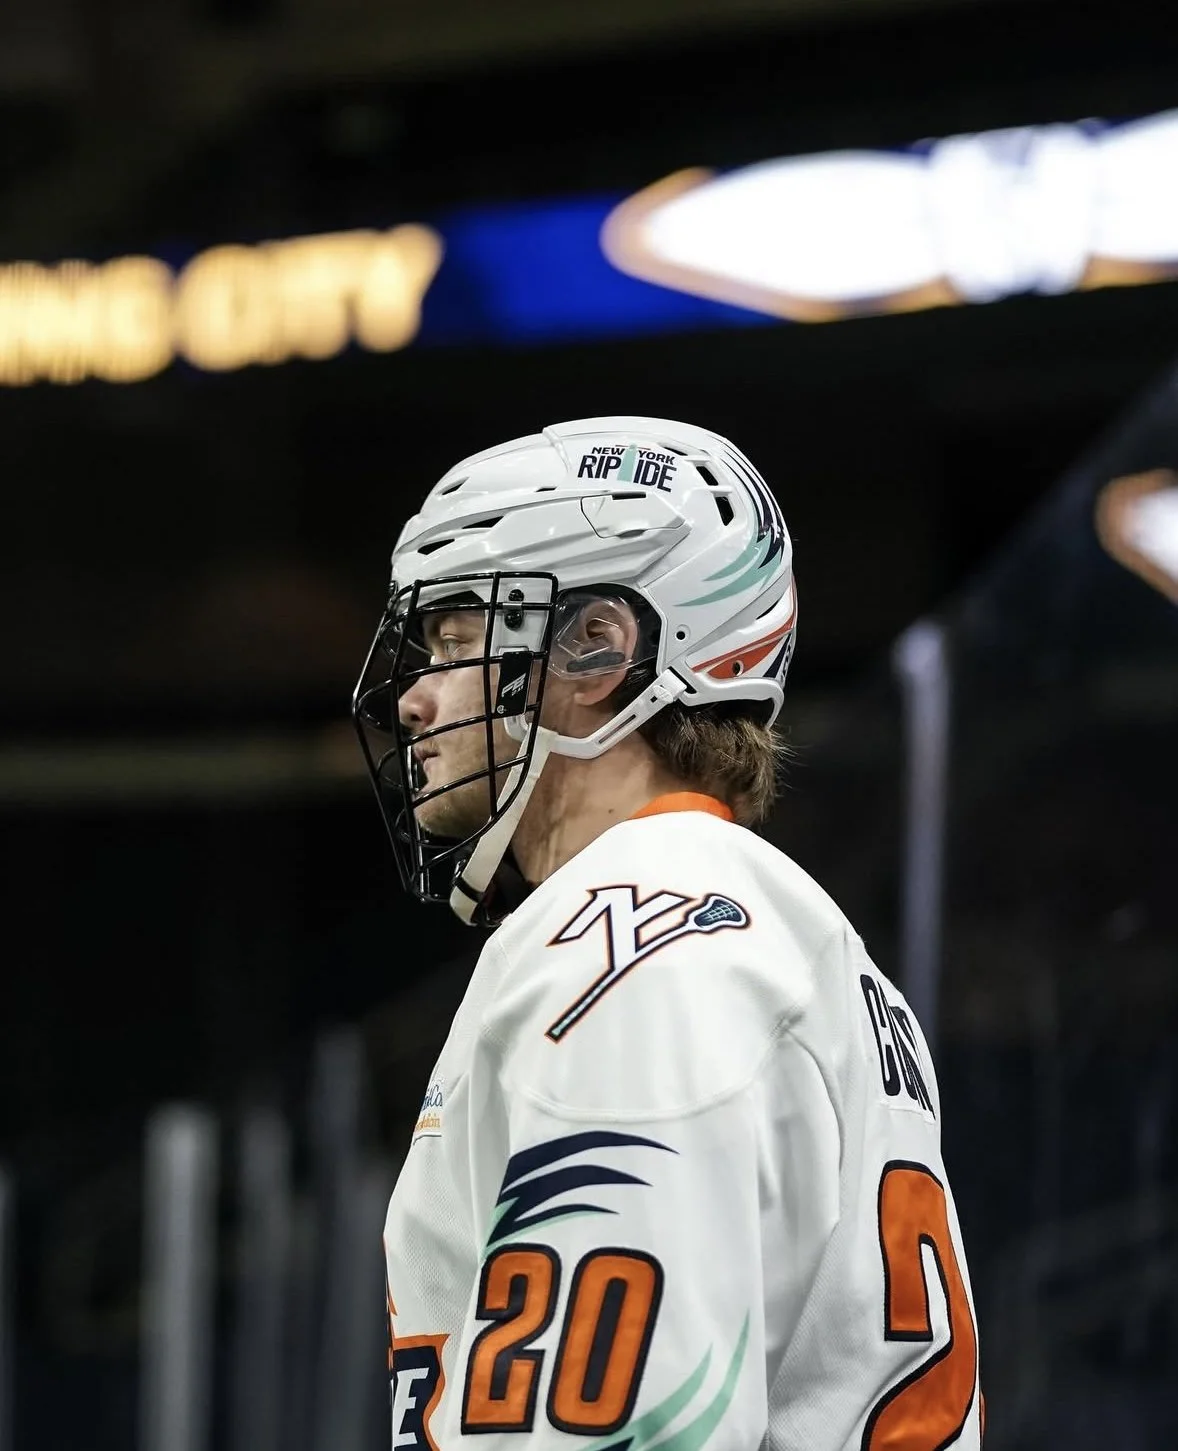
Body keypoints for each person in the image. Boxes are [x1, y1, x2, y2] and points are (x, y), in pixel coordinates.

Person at [353, 417, 982, 1451]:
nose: (414, 697)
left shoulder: (633, 946)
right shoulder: (776, 931)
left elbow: (627, 1428)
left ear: (599, 648)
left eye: (460, 641)